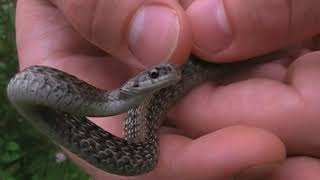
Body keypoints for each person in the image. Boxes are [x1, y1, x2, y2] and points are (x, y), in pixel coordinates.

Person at [16, 0, 320, 179]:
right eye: (158, 73)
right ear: (140, 80)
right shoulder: (121, 95)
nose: (169, 72)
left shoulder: (142, 97)